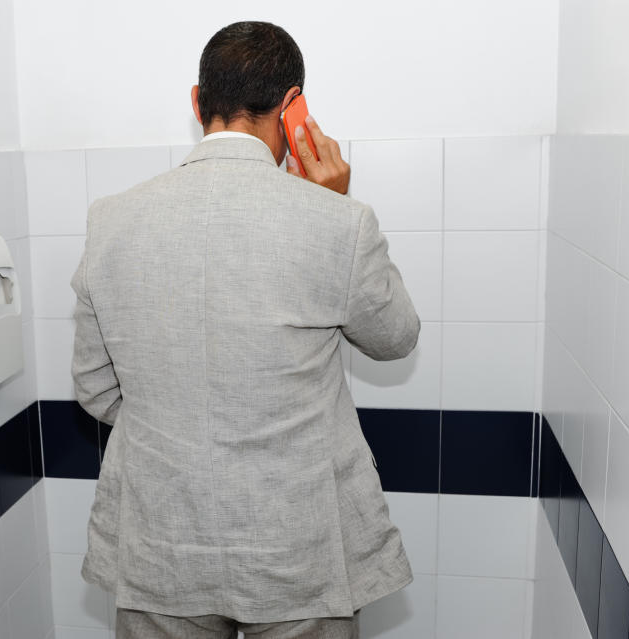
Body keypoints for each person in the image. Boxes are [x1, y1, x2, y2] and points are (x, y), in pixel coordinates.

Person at [70, 21, 420, 639]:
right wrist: (335, 202)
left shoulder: (110, 221)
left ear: (199, 103)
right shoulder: (337, 222)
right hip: (298, 556)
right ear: (292, 108)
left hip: (161, 548)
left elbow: (97, 392)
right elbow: (395, 339)